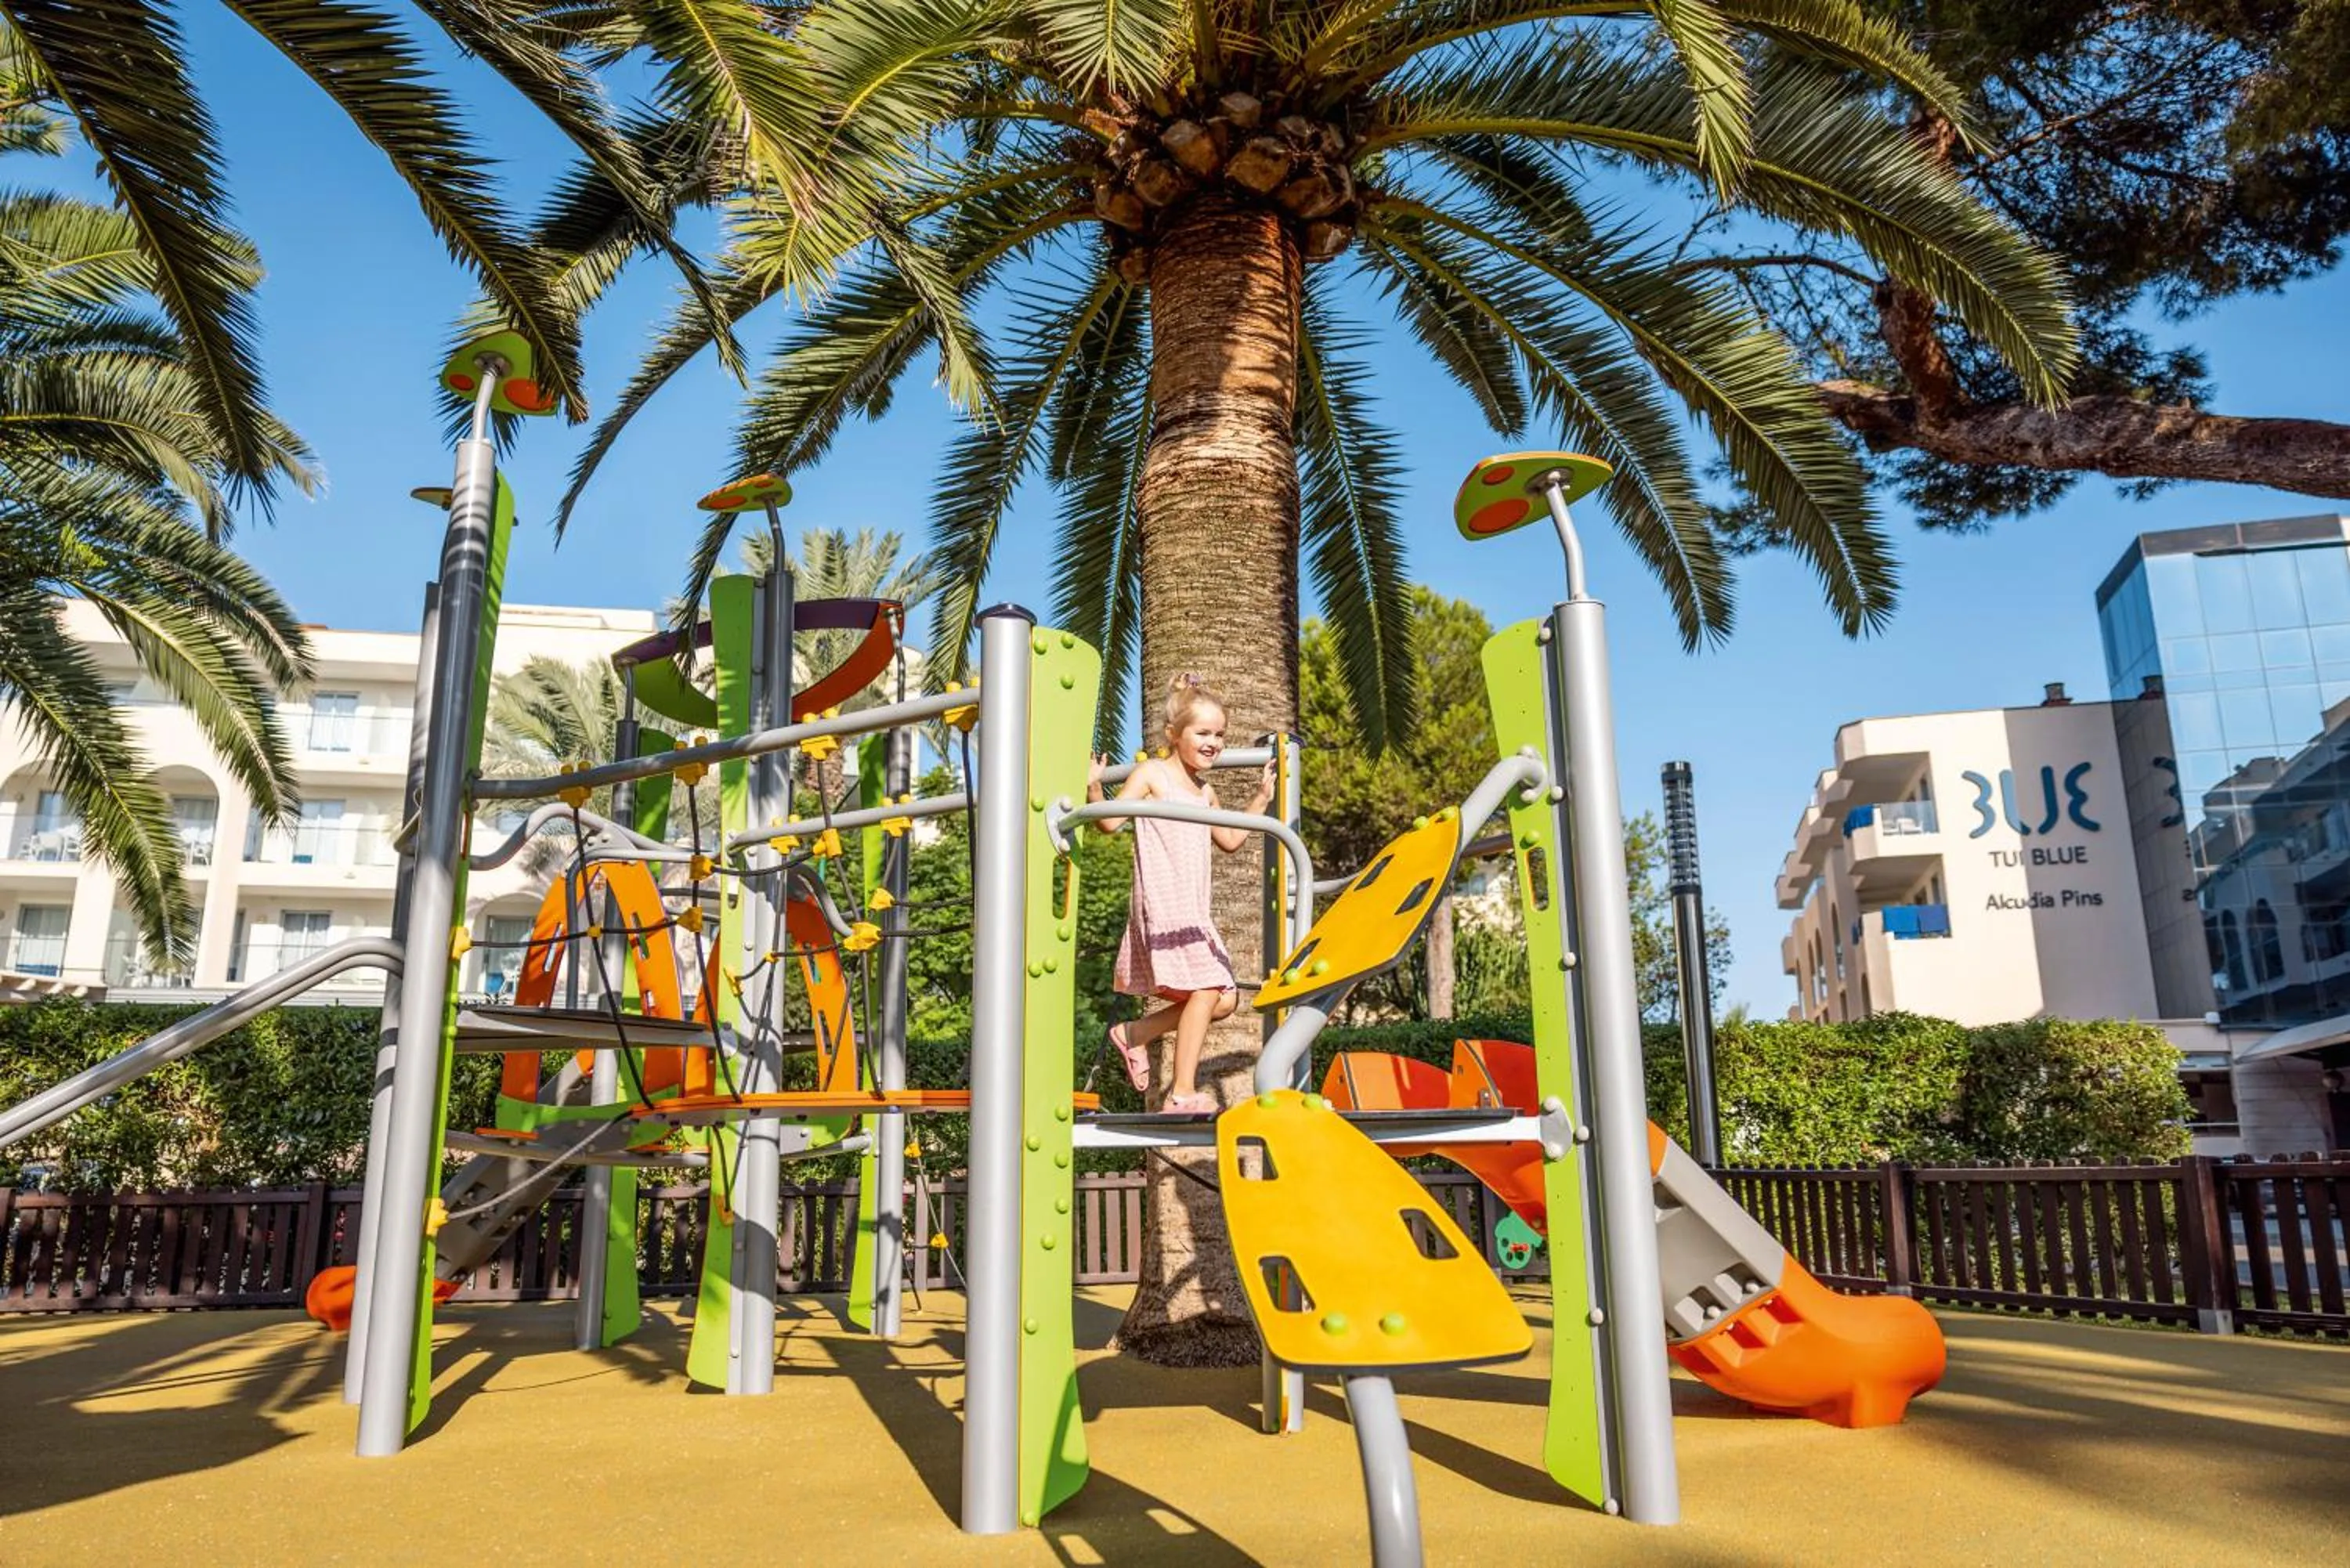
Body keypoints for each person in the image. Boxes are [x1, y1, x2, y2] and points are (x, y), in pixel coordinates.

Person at [1086, 674, 1275, 1114]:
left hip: (1193, 911)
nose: (1214, 743)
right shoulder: (1154, 774)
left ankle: (1134, 1035)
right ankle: (1182, 1093)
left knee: (1224, 1000)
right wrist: (1095, 787)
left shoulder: (1204, 790)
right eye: (1203, 733)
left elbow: (1230, 840)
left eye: (1220, 735)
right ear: (1174, 735)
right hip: (1163, 903)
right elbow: (1110, 822)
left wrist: (1261, 798)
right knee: (1210, 988)